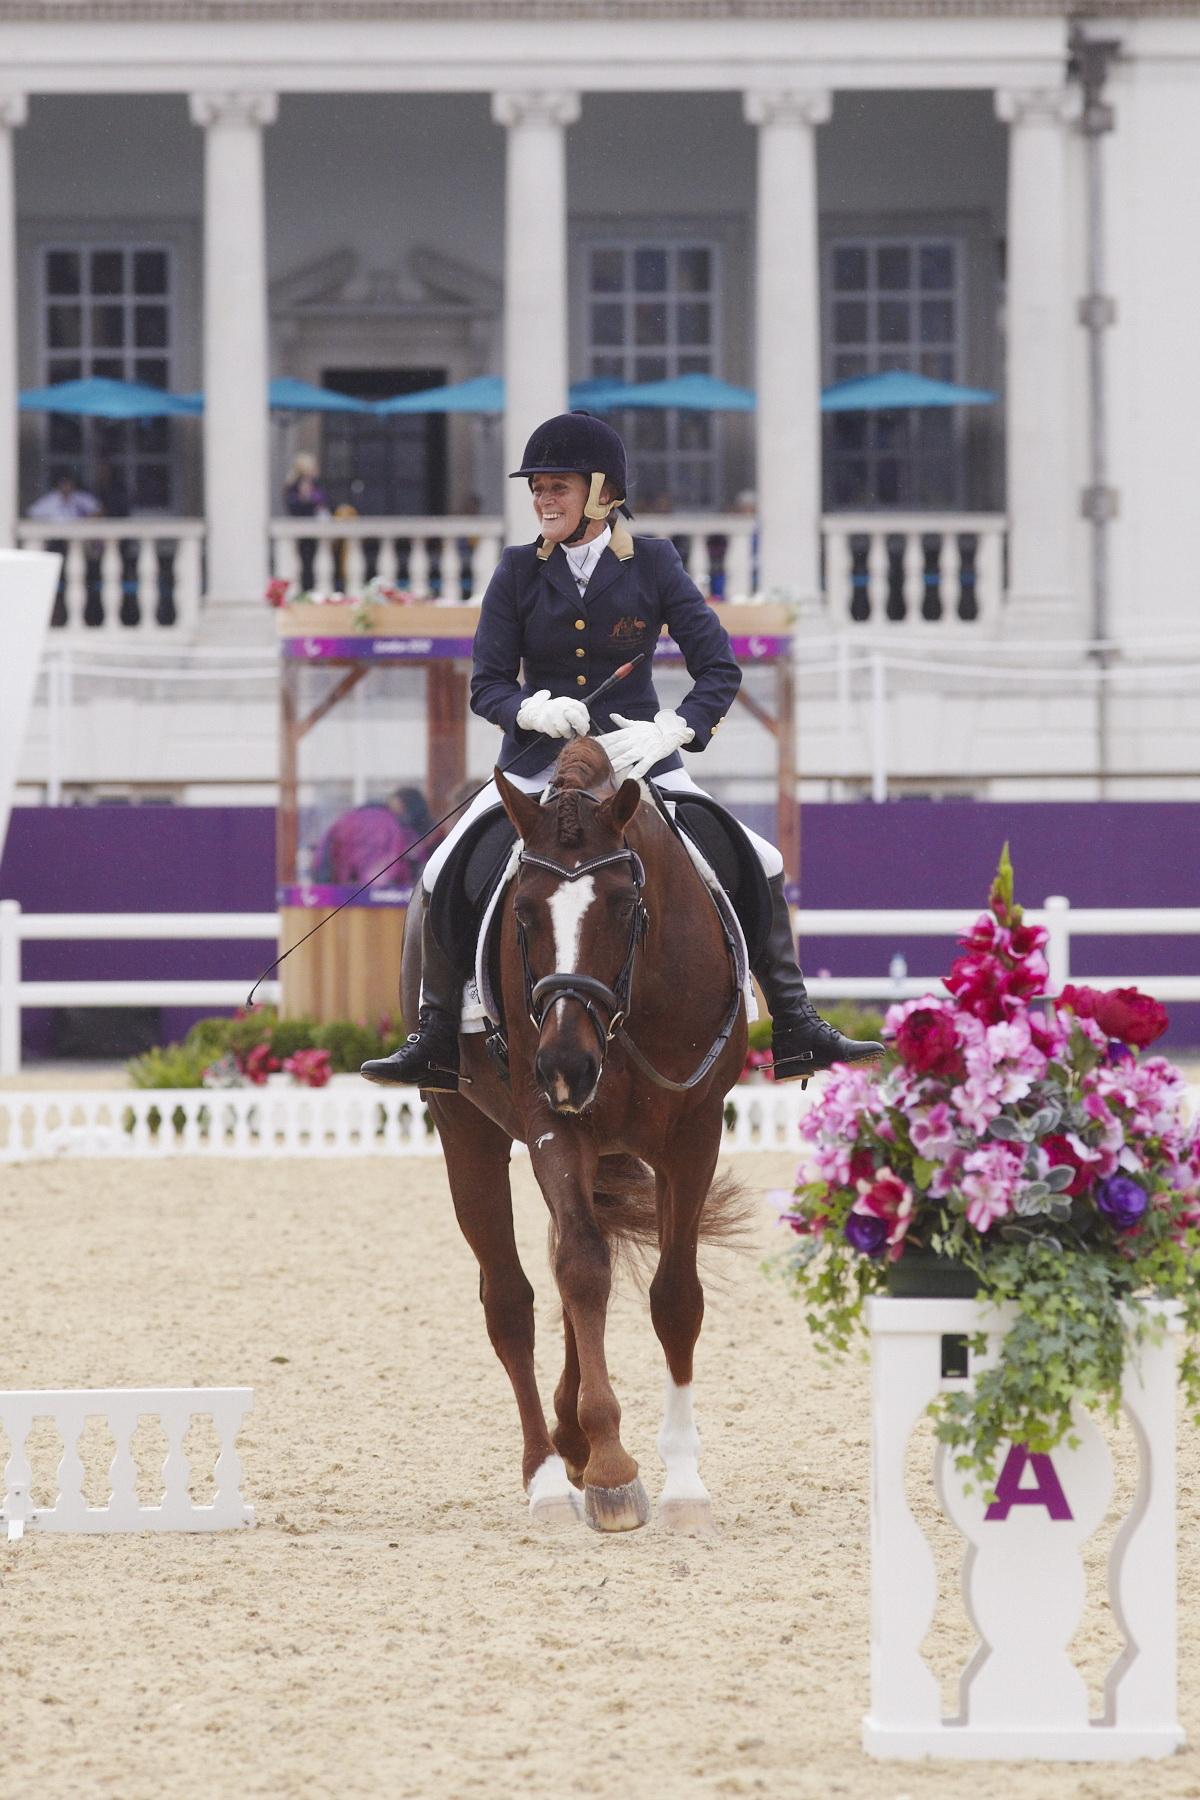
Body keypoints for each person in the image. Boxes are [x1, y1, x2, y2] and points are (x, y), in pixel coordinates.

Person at [362, 411, 882, 1091]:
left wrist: (671, 731)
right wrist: (530, 709)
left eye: (557, 487)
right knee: (443, 870)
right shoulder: (518, 571)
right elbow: (486, 684)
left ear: (602, 492)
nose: (543, 500)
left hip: (639, 762)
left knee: (760, 858)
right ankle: (434, 1033)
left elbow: (719, 670)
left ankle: (794, 1020)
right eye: (538, 488)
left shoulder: (654, 562)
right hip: (539, 762)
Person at [313, 787, 430, 889]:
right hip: (375, 901)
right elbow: (383, 875)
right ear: (402, 806)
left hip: (340, 895)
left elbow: (323, 853)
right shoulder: (390, 826)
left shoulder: (350, 817)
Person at [284, 452, 329, 592]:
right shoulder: (294, 486)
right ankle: (306, 589)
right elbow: (294, 506)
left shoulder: (315, 484)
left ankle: (312, 588)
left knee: (316, 561)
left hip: (315, 530)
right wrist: (305, 499)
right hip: (302, 531)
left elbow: (323, 502)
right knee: (304, 562)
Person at [28, 471, 101, 522]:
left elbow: (98, 510)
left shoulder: (80, 497)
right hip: (56, 537)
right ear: (59, 485)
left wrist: (87, 519)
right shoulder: (51, 499)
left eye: (68, 483)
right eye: (64, 483)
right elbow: (32, 512)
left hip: (78, 535)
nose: (66, 486)